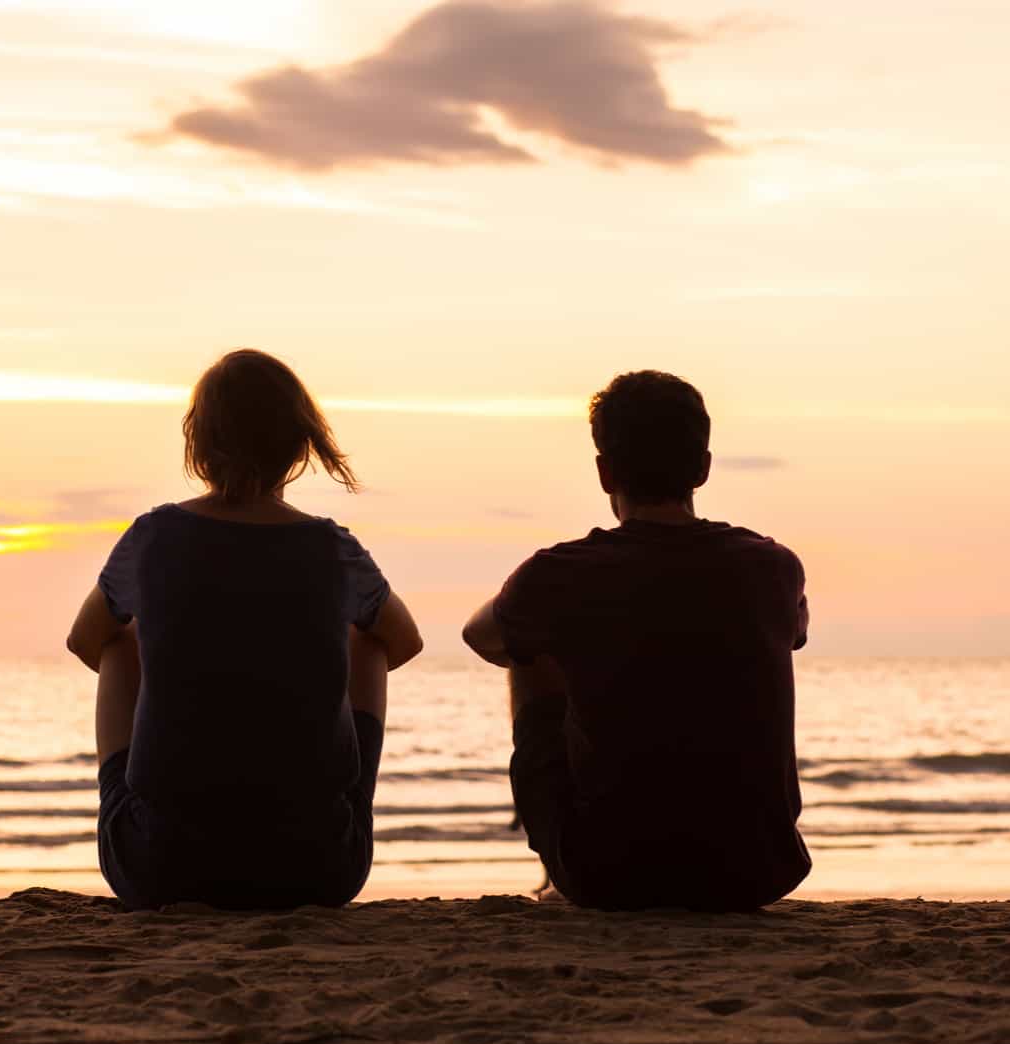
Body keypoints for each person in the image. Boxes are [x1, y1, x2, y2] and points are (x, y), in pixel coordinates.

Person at [67, 349, 423, 909]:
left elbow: (85, 640)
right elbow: (404, 640)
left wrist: (189, 671)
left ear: (199, 444)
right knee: (368, 639)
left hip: (160, 869)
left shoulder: (153, 537)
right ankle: (337, 810)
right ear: (300, 446)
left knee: (121, 639)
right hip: (318, 870)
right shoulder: (332, 548)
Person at [462, 370, 810, 911]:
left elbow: (481, 638)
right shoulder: (774, 566)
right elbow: (794, 634)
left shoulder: (560, 573)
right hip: (759, 870)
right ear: (703, 468)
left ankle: (553, 872)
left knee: (526, 644)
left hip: (607, 875)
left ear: (605, 473)